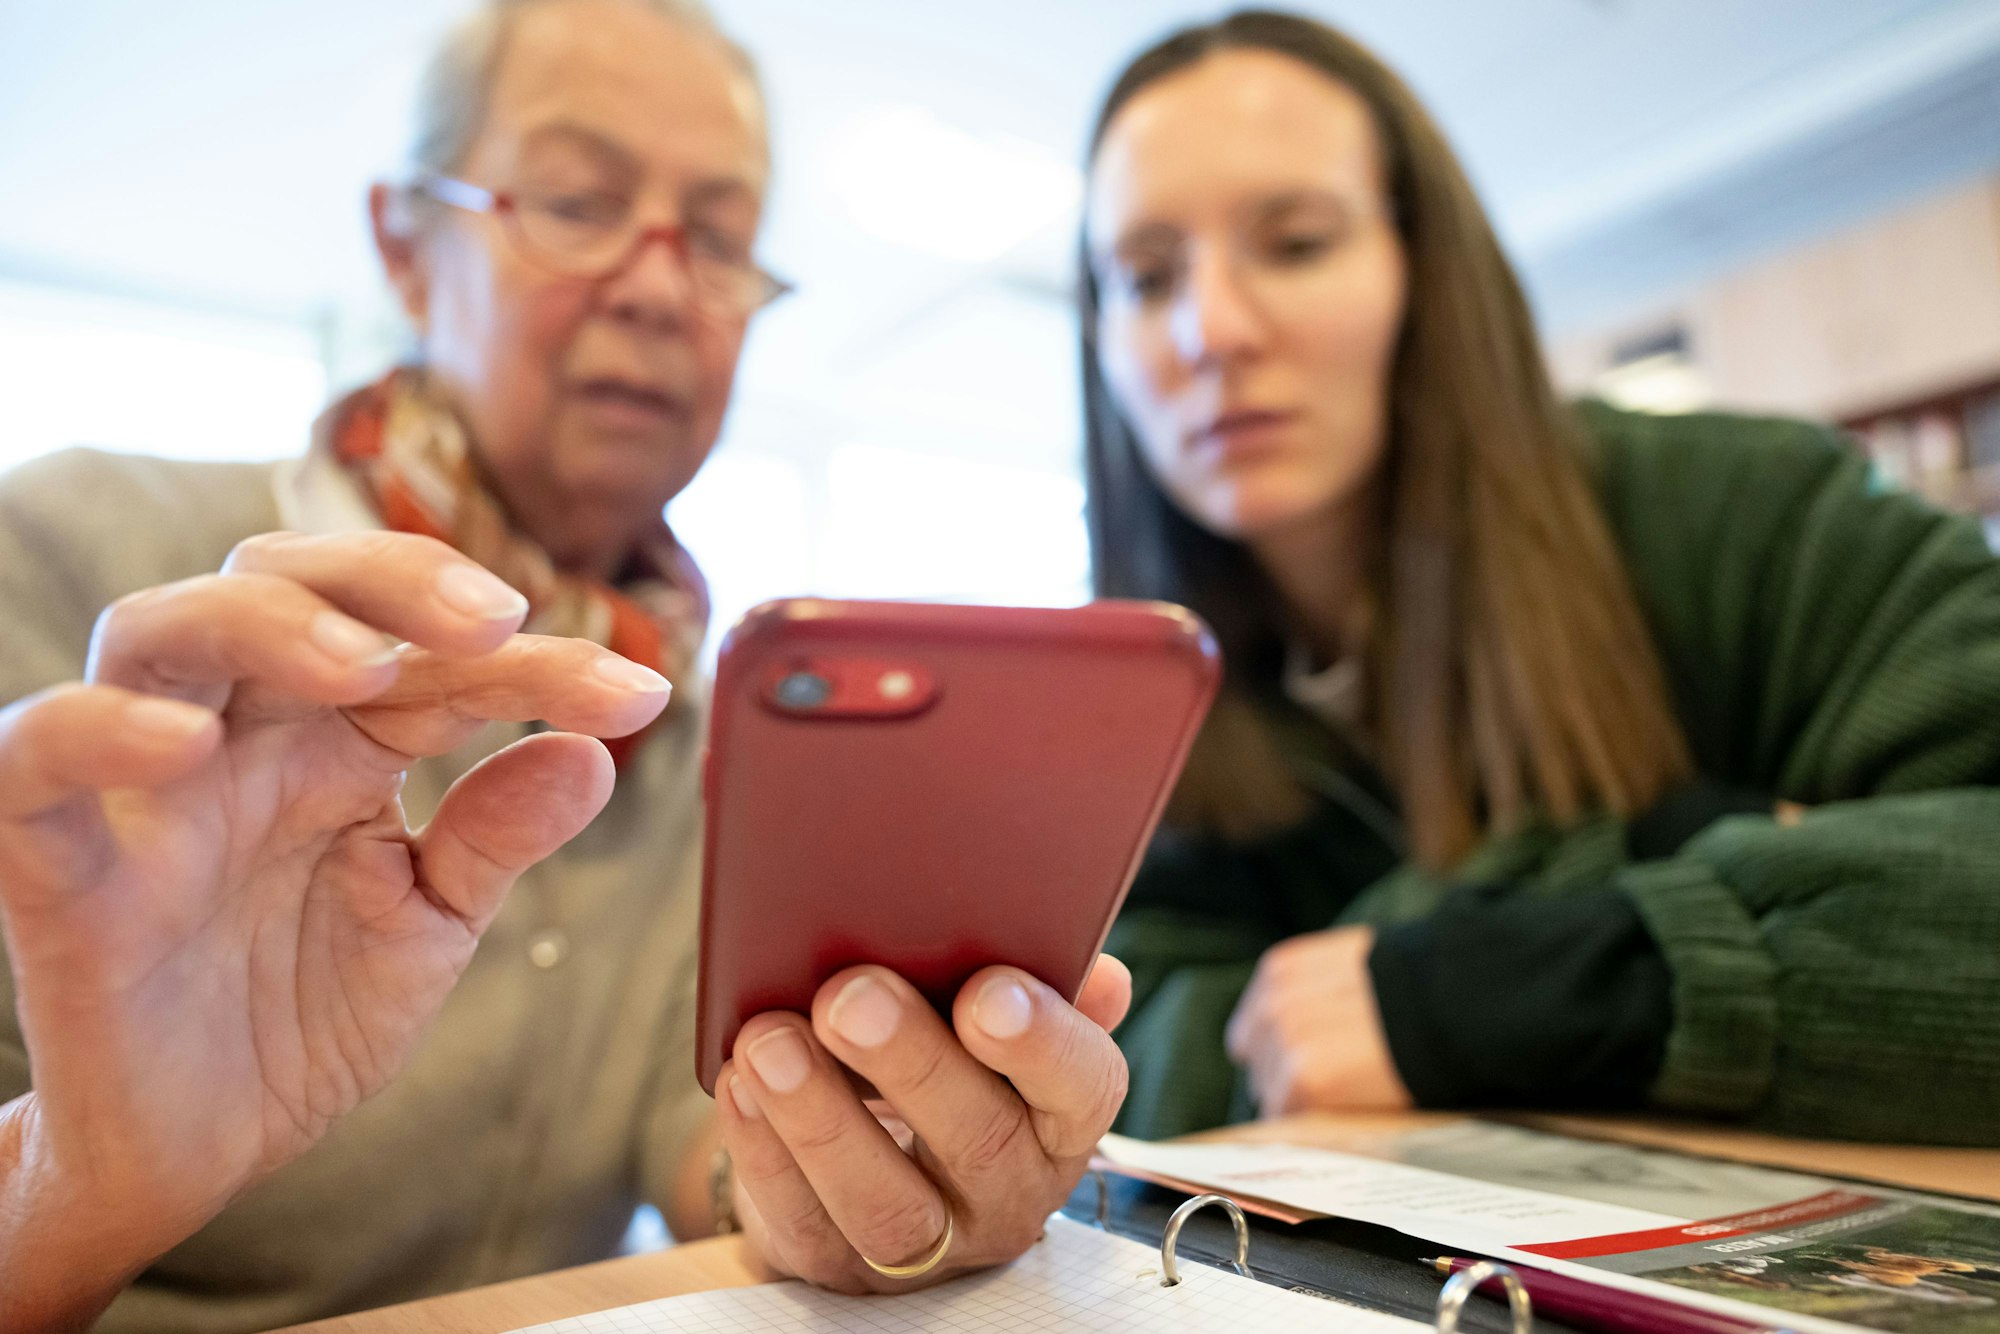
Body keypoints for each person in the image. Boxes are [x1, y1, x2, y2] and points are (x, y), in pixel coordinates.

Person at [0, 2, 1129, 1330]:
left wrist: (858, 1182)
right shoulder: (73, 564)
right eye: (580, 201)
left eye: (719, 237)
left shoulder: (705, 720)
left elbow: (705, 1141)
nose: (658, 286)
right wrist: (82, 1184)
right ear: (406, 247)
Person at [1079, 10, 2000, 1143]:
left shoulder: (1758, 516)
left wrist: (1501, 990)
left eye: (1296, 243)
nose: (1211, 329)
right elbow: (1125, 1059)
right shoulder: (1126, 703)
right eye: (1145, 277)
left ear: (1428, 271)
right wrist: (1671, 843)